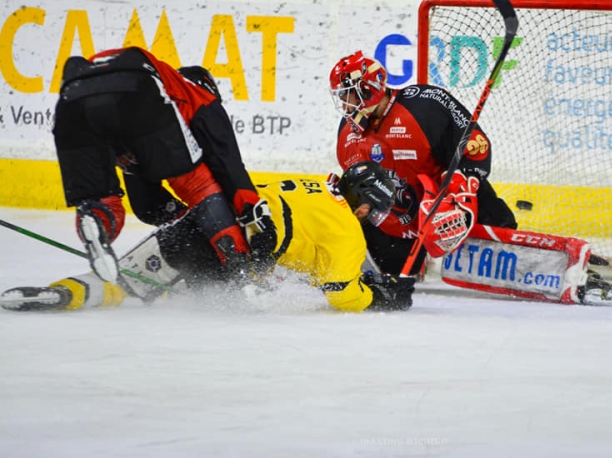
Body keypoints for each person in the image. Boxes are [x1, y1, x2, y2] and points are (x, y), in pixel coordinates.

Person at [0, 161, 416, 313]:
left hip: (209, 220)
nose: (374, 216)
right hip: (234, 255)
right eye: (374, 208)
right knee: (201, 299)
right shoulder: (348, 233)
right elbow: (341, 293)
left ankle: (66, 292)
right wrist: (381, 297)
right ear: (363, 201)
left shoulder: (313, 184)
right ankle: (166, 292)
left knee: (127, 279)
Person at [52, 47, 268, 289]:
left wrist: (186, 222)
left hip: (71, 99)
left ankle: (96, 220)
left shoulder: (152, 101)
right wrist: (249, 209)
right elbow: (228, 166)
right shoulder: (196, 96)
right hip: (135, 88)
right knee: (198, 185)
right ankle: (242, 273)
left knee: (101, 198)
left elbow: (147, 205)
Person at [330, 50, 517, 278]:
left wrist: (459, 191)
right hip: (396, 228)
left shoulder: (425, 105)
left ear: (368, 90)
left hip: (445, 209)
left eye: (347, 95)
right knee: (391, 273)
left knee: (492, 211)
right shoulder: (347, 132)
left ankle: (515, 256)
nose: (343, 104)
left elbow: (474, 146)